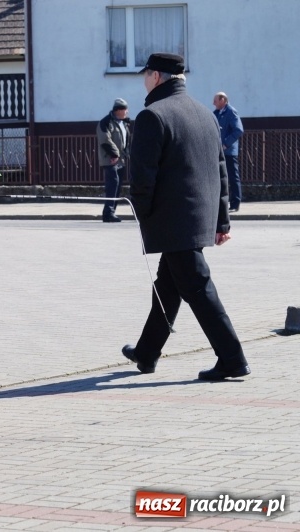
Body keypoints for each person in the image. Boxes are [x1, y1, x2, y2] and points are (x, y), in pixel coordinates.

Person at [121, 52, 250, 381]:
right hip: (197, 219)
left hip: (173, 221)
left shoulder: (152, 116)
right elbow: (220, 171)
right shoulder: (205, 114)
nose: (144, 81)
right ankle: (147, 352)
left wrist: (141, 213)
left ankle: (232, 359)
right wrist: (221, 221)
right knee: (167, 286)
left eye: (146, 75)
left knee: (198, 288)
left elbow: (143, 177)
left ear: (156, 77)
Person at [96, 97, 131, 222]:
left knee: (118, 185)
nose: (127, 112)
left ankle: (111, 212)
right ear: (118, 110)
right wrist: (115, 154)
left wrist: (126, 154)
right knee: (112, 184)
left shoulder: (124, 123)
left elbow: (125, 141)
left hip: (120, 160)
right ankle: (108, 213)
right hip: (110, 159)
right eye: (125, 109)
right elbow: (105, 140)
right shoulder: (106, 122)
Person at [213, 92, 244, 212]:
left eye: (215, 100)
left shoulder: (231, 112)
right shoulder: (216, 113)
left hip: (229, 152)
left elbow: (238, 130)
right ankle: (221, 203)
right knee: (219, 177)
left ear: (223, 100)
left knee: (233, 177)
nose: (213, 103)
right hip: (219, 151)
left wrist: (226, 144)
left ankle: (235, 203)